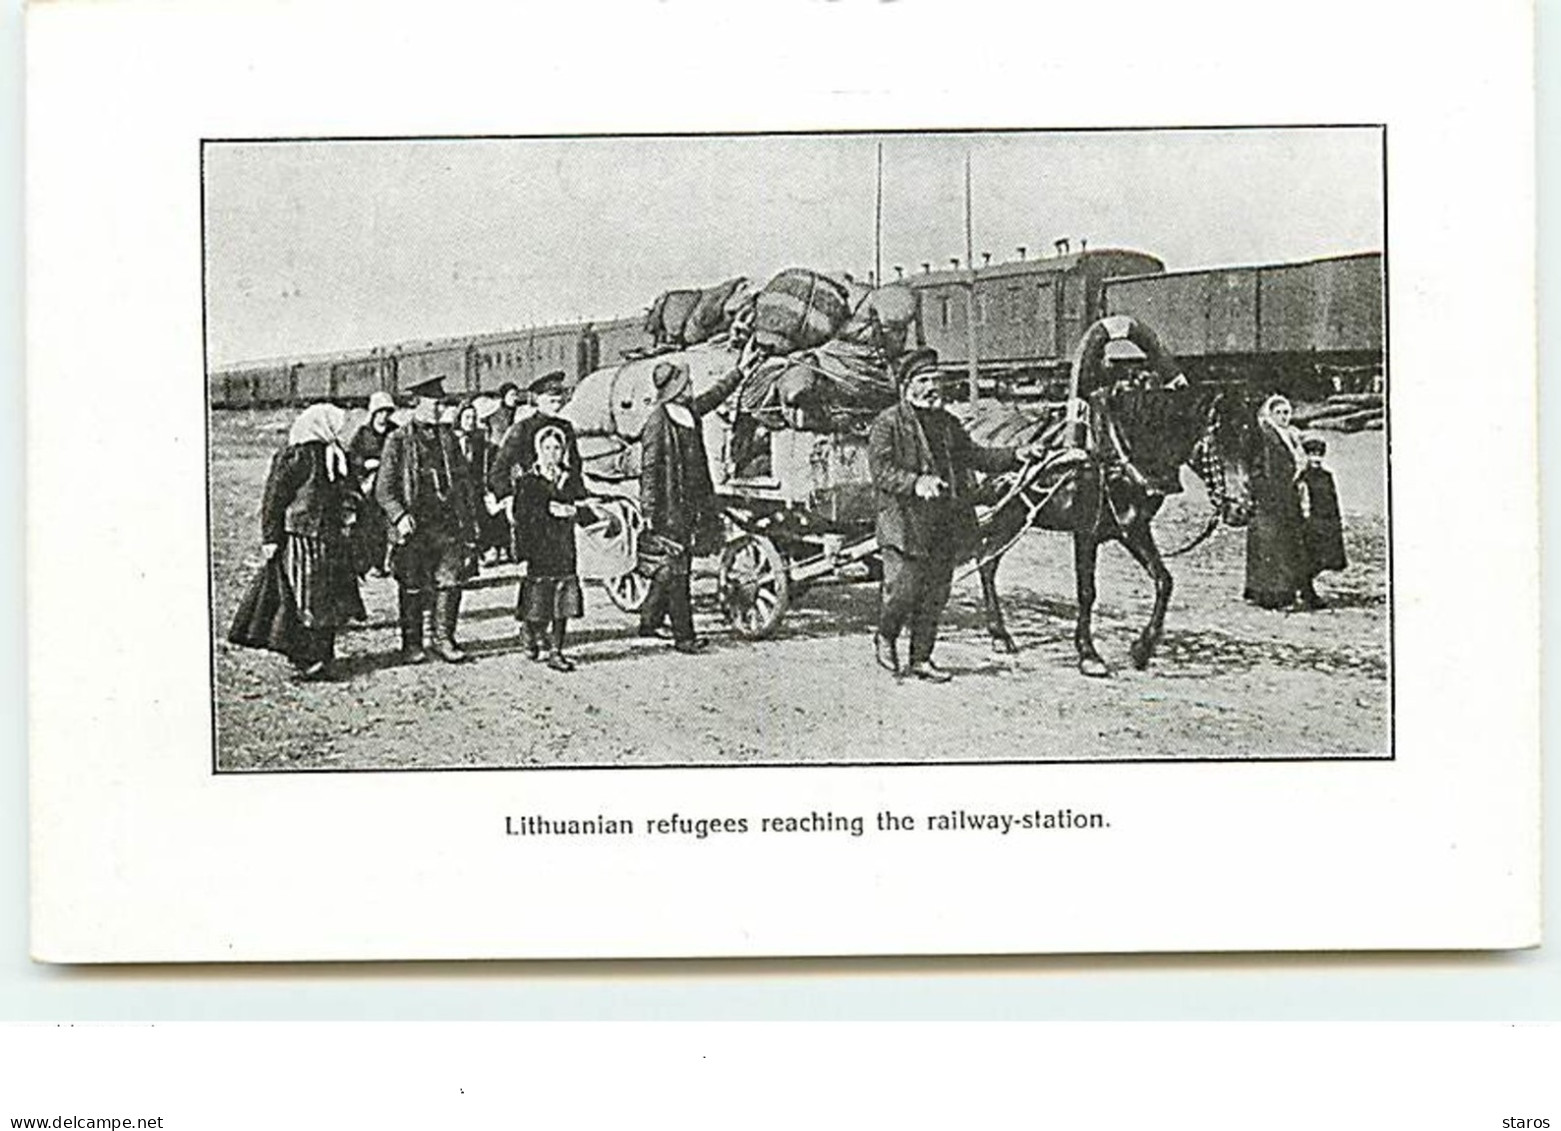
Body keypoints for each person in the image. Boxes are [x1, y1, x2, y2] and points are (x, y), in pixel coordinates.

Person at [867, 350, 1044, 682]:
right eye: (923, 382)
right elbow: (882, 471)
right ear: (907, 387)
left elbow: (974, 455)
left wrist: (1015, 454)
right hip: (905, 521)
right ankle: (886, 635)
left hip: (945, 520)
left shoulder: (947, 423)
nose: (932, 388)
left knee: (936, 594)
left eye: (936, 381)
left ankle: (921, 659)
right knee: (902, 590)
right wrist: (915, 482)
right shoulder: (888, 422)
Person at [234, 403, 366, 680]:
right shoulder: (296, 455)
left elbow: (348, 489)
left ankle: (324, 656)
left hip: (331, 538)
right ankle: (305, 657)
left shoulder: (335, 454)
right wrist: (270, 537)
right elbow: (274, 499)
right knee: (304, 598)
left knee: (329, 598)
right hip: (302, 539)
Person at [637, 348, 754, 652]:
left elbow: (714, 396)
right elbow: (649, 470)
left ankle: (649, 620)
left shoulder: (687, 410)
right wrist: (649, 511)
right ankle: (684, 637)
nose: (691, 386)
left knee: (672, 568)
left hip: (694, 503)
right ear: (676, 388)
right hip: (670, 506)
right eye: (686, 383)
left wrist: (740, 370)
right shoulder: (657, 422)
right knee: (678, 573)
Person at [375, 375, 479, 663]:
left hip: (445, 525)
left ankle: (444, 639)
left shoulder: (448, 439)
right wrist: (399, 516)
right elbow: (383, 490)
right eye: (433, 404)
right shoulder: (398, 440)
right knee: (412, 586)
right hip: (413, 527)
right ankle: (412, 644)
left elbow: (463, 484)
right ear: (417, 404)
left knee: (450, 582)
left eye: (441, 405)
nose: (438, 410)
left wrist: (469, 520)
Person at [512, 424, 589, 671]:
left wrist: (573, 511)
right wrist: (523, 554)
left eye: (557, 448)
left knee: (563, 603)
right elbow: (521, 519)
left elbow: (588, 509)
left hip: (564, 549)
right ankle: (529, 630)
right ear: (538, 450)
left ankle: (556, 651)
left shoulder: (571, 479)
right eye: (547, 448)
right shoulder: (528, 481)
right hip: (538, 550)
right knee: (538, 603)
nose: (552, 453)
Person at [1243, 393, 1309, 610]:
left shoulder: (1289, 435)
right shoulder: (1265, 434)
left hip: (1285, 494)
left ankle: (1279, 589)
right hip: (1269, 496)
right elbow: (1256, 464)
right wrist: (1261, 488)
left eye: (1286, 413)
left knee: (1284, 544)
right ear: (1270, 414)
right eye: (1278, 413)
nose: (1283, 417)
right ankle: (1272, 594)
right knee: (1271, 545)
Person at [346, 390, 397, 577]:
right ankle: (371, 563)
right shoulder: (363, 433)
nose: (384, 416)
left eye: (387, 412)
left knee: (390, 525)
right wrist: (364, 463)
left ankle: (388, 562)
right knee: (370, 526)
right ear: (374, 413)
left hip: (390, 484)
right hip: (369, 486)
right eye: (380, 412)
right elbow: (351, 457)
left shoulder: (395, 431)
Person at [453, 397, 508, 565]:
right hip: (458, 490)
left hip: (476, 488)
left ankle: (489, 549)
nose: (470, 422)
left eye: (473, 418)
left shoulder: (482, 444)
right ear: (459, 419)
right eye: (467, 418)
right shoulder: (452, 442)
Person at [1296, 434, 1347, 608]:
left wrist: (1338, 519)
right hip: (1312, 522)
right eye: (1311, 453)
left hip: (1328, 521)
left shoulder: (1327, 476)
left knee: (1327, 557)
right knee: (1312, 557)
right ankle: (1306, 590)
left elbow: (1333, 499)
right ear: (1307, 456)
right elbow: (1302, 500)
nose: (1315, 457)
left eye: (1318, 453)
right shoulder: (1303, 476)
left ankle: (1305, 587)